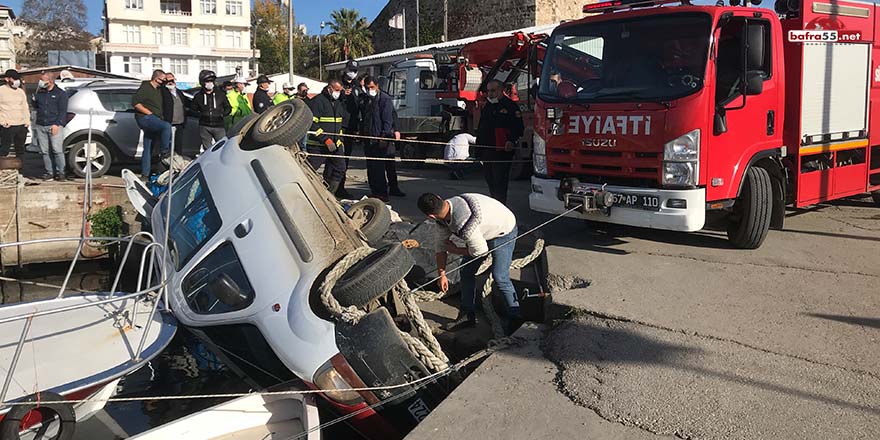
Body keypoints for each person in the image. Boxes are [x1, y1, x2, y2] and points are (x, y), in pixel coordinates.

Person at [418, 192, 521, 332]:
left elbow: (481, 252)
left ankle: (515, 319)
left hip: (504, 230)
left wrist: (456, 250)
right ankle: (467, 315)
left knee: (500, 276)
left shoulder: (464, 224)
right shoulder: (443, 216)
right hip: (482, 228)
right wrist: (441, 274)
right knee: (466, 271)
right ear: (439, 197)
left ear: (430, 216)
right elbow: (441, 247)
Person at [475, 79, 524, 205]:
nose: (490, 94)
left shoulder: (510, 106)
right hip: (487, 150)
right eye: (488, 91)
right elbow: (482, 129)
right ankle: (494, 203)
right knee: (490, 180)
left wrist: (511, 140)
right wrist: (478, 151)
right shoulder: (487, 106)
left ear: (501, 90)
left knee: (500, 182)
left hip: (502, 152)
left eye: (493, 91)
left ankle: (501, 206)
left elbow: (518, 127)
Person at [363, 76, 404, 201]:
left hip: (380, 139)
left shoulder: (384, 99)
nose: (370, 90)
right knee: (371, 167)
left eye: (372, 87)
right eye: (367, 87)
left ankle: (382, 193)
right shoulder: (366, 99)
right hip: (369, 138)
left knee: (380, 167)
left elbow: (388, 119)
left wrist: (384, 136)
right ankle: (375, 191)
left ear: (377, 86)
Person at [304, 79, 348, 195]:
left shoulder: (338, 102)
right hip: (318, 145)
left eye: (340, 91)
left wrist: (340, 140)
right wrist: (326, 139)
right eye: (336, 90)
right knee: (308, 170)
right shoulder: (318, 101)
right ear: (329, 88)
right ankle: (305, 191)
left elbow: (339, 123)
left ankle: (328, 194)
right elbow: (312, 124)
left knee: (340, 168)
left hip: (335, 145)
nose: (338, 93)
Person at [132, 69, 172, 178]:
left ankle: (145, 174)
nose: (163, 82)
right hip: (146, 118)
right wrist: (149, 113)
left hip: (155, 119)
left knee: (148, 147)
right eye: (162, 79)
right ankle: (165, 151)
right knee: (166, 127)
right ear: (156, 78)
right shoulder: (145, 88)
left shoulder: (158, 90)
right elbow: (135, 103)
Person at [32, 72, 69, 180]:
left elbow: (63, 111)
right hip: (41, 125)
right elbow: (36, 106)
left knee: (57, 150)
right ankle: (49, 172)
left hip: (54, 124)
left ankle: (61, 172)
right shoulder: (40, 93)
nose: (41, 82)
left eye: (43, 80)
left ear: (50, 81)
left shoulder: (60, 94)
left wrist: (57, 124)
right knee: (45, 151)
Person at [192, 69, 231, 152]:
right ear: (202, 82)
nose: (210, 83)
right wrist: (201, 115)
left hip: (219, 125)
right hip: (204, 126)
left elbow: (228, 108)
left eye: (211, 81)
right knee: (208, 150)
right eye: (207, 81)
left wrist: (222, 114)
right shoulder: (198, 96)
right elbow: (193, 109)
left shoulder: (220, 94)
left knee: (222, 148)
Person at [0, 69, 30, 158]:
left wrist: (27, 121)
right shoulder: (1, 91)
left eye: (17, 79)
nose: (16, 81)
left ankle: (20, 169)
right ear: (7, 79)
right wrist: (2, 121)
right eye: (14, 79)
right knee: (4, 149)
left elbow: (25, 107)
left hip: (21, 125)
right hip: (7, 125)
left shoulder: (20, 92)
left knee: (20, 150)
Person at [163, 72, 186, 153]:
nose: (170, 82)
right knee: (167, 147)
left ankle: (176, 164)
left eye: (172, 80)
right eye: (167, 80)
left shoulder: (179, 92)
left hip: (180, 123)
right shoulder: (163, 92)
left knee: (178, 146)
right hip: (168, 124)